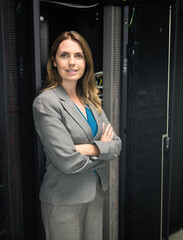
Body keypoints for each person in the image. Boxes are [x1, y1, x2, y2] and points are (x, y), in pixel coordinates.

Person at [32, 30, 122, 240]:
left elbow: (116, 144)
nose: (72, 62)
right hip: (63, 200)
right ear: (54, 61)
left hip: (95, 194)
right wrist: (101, 149)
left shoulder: (91, 100)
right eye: (64, 55)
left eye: (78, 56)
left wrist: (88, 149)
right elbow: (67, 162)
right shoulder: (47, 102)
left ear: (86, 62)